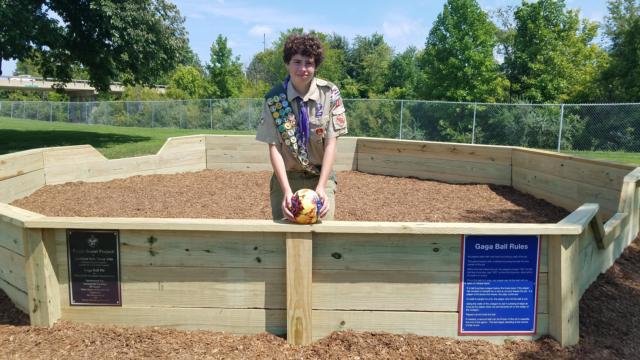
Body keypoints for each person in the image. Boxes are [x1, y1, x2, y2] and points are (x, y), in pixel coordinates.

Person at [255, 33, 348, 222]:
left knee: (323, 236)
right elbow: (274, 149)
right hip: (286, 179)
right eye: (297, 61)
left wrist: (321, 187)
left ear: (316, 66)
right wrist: (287, 191)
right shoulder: (274, 100)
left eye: (309, 63)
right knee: (284, 241)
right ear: (287, 63)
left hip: (320, 177)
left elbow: (331, 145)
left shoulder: (330, 94)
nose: (303, 68)